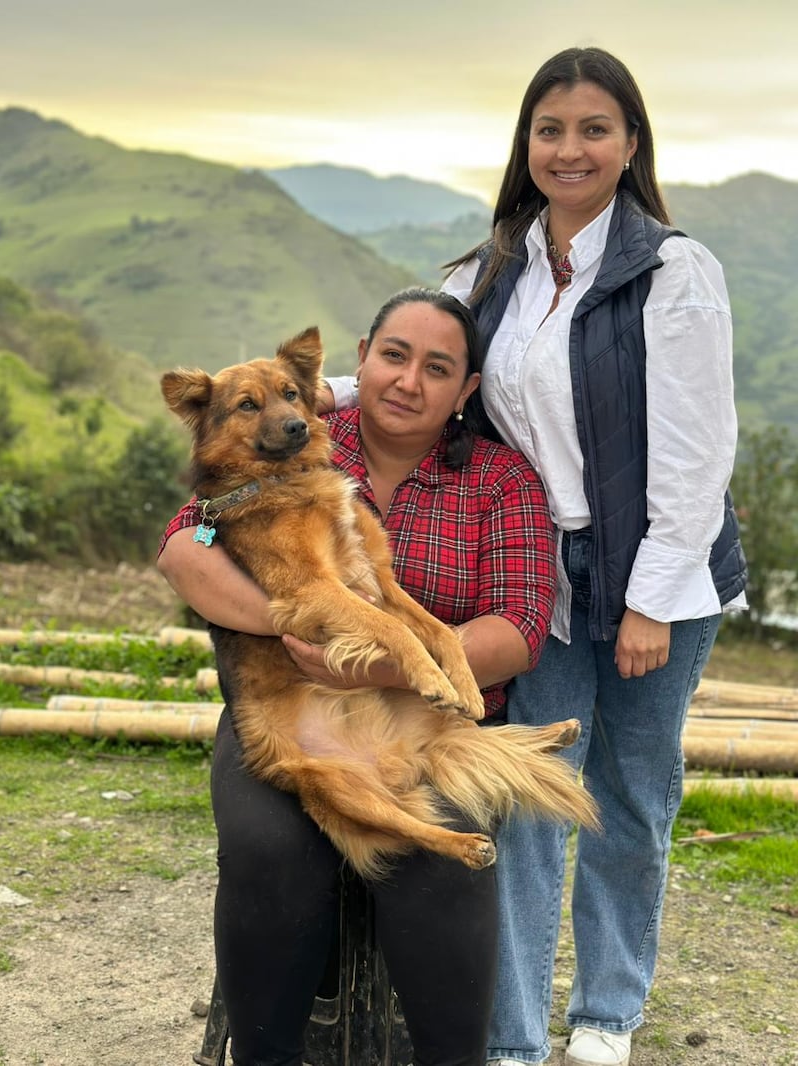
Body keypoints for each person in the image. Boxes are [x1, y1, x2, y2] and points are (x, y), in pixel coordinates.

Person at [439, 47, 748, 1066]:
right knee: (529, 790)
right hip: (538, 573)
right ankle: (514, 1035)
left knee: (627, 792)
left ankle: (606, 1010)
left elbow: (698, 453)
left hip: (660, 568)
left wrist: (651, 601)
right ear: (525, 144)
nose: (567, 148)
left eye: (591, 129)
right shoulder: (488, 269)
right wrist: (332, 398)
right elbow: (429, 369)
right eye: (548, 129)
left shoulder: (670, 270)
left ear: (628, 145)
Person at [157, 286, 558, 1066]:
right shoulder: (295, 444)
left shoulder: (500, 481)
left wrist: (379, 662)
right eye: (394, 356)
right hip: (284, 706)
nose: (409, 381)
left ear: (465, 390)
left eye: (437, 368)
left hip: (420, 717)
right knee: (268, 853)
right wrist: (297, 620)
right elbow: (185, 543)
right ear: (363, 362)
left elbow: (519, 629)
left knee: (440, 860)